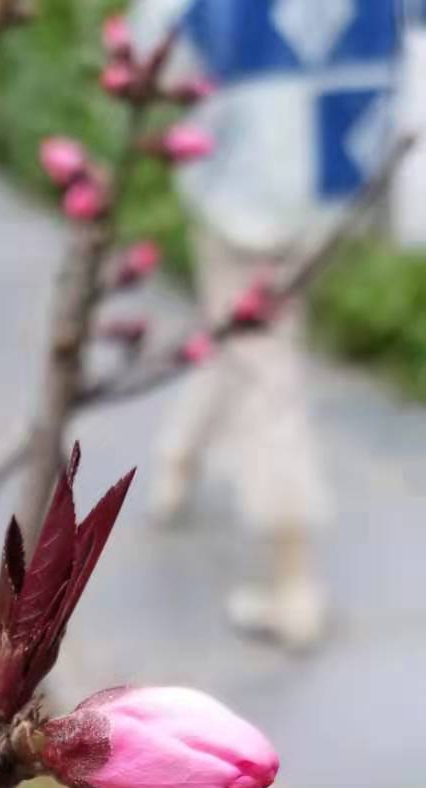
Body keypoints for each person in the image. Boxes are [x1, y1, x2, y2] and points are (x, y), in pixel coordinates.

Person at [133, 0, 405, 650]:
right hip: (335, 177)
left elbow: (160, 48)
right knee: (248, 337)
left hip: (246, 177)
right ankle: (179, 461)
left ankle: (294, 582)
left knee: (261, 365)